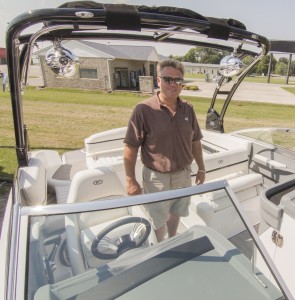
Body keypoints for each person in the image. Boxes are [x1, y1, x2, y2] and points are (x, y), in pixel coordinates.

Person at [123, 59, 205, 242]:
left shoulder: (188, 109)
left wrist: (201, 168)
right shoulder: (143, 110)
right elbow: (130, 146)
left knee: (176, 212)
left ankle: (172, 239)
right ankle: (160, 246)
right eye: (168, 79)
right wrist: (130, 180)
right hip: (156, 178)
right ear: (158, 81)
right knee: (158, 218)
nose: (173, 84)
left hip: (183, 175)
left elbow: (196, 141)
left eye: (178, 80)